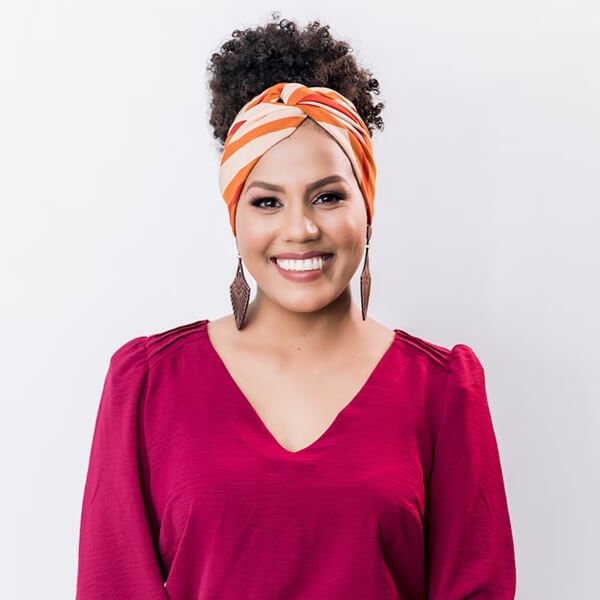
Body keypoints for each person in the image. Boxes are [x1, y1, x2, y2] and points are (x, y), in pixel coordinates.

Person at [75, 15, 516, 599]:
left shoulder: (444, 390)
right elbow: (112, 584)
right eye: (267, 202)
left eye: (328, 196)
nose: (301, 228)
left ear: (367, 207)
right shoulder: (146, 383)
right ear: (234, 217)